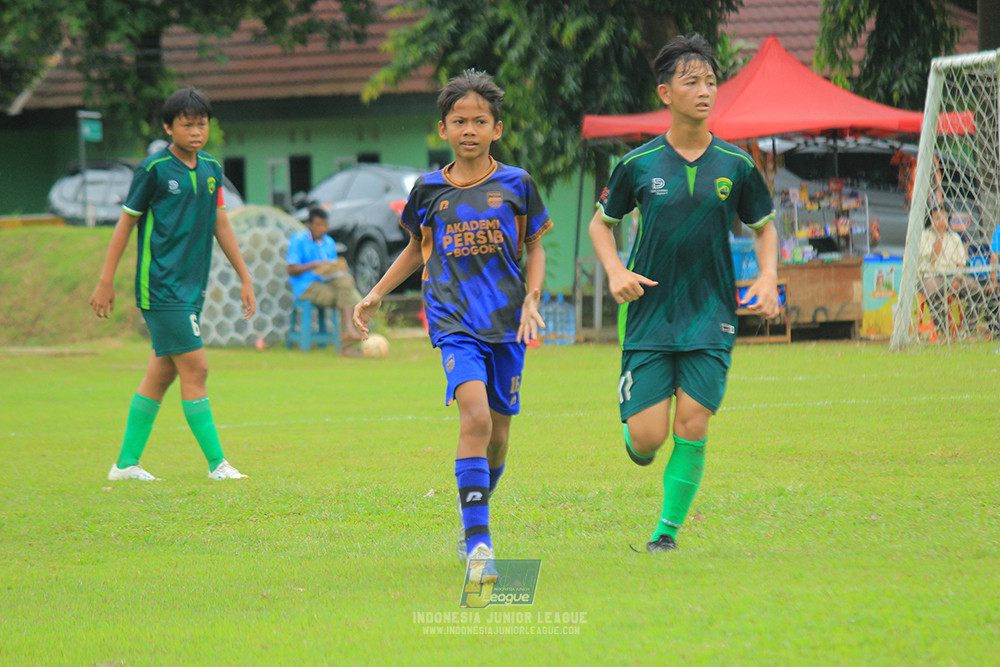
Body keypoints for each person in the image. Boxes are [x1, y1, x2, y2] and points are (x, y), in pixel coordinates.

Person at [587, 34, 778, 553]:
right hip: (649, 313)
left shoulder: (736, 165)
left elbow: (765, 228)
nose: (704, 91)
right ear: (665, 93)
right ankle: (637, 439)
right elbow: (600, 226)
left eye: (711, 82)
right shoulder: (638, 164)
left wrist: (766, 278)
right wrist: (613, 271)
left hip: (711, 313)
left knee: (693, 424)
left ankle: (665, 535)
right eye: (691, 81)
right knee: (648, 439)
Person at [353, 69, 552, 567]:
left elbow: (534, 245)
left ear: (496, 129)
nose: (469, 129)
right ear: (442, 129)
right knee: (476, 417)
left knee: (500, 438)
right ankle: (479, 541)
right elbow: (418, 250)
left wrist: (533, 297)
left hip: (508, 323)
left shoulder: (517, 184)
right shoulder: (427, 191)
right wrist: (376, 293)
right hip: (452, 320)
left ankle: (477, 509)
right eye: (458, 121)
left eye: (479, 121)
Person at [89, 87, 256, 481]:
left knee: (161, 374)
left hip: (191, 288)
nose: (196, 131)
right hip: (160, 287)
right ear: (168, 127)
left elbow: (220, 223)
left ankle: (126, 464)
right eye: (187, 124)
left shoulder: (212, 168)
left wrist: (244, 276)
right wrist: (105, 281)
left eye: (202, 124)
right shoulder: (154, 169)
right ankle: (218, 464)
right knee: (196, 368)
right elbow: (126, 223)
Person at [286, 207, 364, 346]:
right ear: (309, 225)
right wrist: (313, 265)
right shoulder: (299, 239)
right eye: (319, 225)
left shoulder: (329, 242)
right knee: (346, 297)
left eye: (325, 225)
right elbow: (291, 270)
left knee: (346, 280)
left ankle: (348, 333)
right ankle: (347, 336)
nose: (323, 229)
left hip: (327, 281)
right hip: (306, 286)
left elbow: (332, 266)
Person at [918, 206, 968, 335]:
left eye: (944, 218)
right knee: (933, 290)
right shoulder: (924, 236)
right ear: (931, 220)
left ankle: (969, 329)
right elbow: (933, 256)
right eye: (937, 219)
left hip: (952, 276)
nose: (941, 222)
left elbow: (961, 264)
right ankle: (943, 330)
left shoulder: (954, 237)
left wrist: (958, 279)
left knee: (974, 288)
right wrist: (940, 236)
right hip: (930, 276)